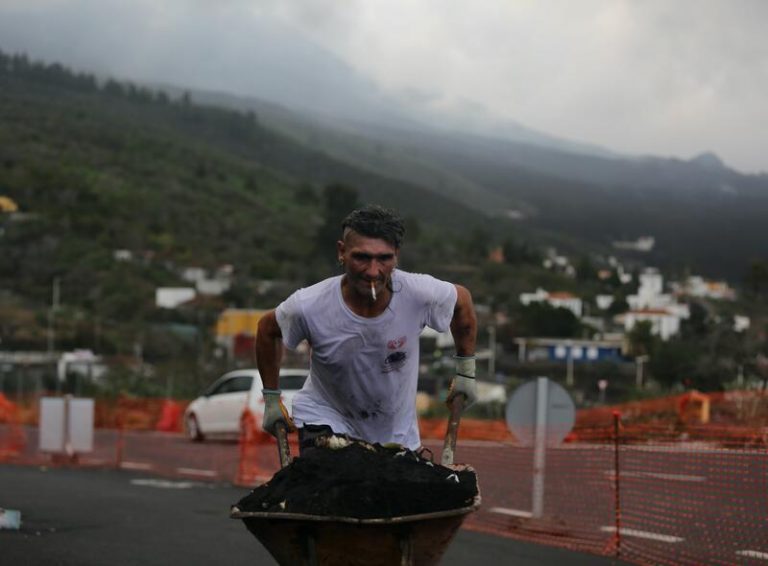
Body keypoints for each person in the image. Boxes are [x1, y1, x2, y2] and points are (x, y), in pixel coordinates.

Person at [255, 204, 478, 452]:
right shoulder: (309, 305)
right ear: (342, 252)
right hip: (325, 419)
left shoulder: (419, 293)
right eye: (361, 257)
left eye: (384, 258)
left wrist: (466, 373)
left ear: (396, 255)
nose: (373, 272)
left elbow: (463, 302)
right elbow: (267, 330)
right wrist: (271, 399)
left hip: (395, 433)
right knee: (333, 474)